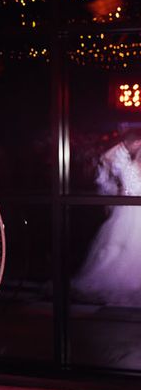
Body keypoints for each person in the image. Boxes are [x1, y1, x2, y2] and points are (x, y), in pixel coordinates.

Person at [71, 128, 141, 307]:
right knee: (120, 249)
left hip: (130, 211)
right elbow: (105, 158)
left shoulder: (129, 165)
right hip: (127, 213)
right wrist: (124, 144)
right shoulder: (127, 164)